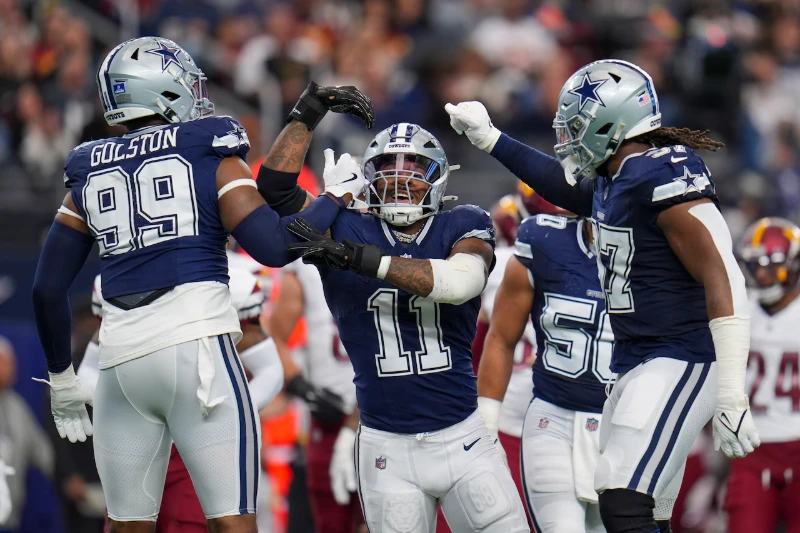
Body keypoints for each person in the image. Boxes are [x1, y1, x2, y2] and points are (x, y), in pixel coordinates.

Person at [30, 36, 371, 533]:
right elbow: (274, 248)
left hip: (121, 361)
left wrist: (62, 379)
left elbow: (45, 288)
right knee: (232, 523)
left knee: (126, 526)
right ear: (162, 88)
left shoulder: (87, 168)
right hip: (196, 353)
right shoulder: (209, 148)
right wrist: (336, 197)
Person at [446, 59, 760, 533]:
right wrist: (490, 138)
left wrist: (733, 394)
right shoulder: (621, 178)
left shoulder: (661, 173)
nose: (569, 138)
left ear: (612, 123)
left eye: (577, 126)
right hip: (638, 360)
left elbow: (724, 274)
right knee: (643, 511)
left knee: (622, 501)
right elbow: (562, 185)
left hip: (682, 355)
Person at [258, 115, 530, 532]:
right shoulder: (344, 224)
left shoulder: (462, 222)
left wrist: (358, 259)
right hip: (386, 445)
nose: (401, 181)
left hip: (464, 436)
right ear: (368, 178)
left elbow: (461, 282)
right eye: (388, 170)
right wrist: (308, 112)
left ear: (438, 177)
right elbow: (274, 188)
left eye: (414, 171)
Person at [80, 268, 283, 533]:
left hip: (198, 444)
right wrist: (109, 404)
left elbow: (270, 368)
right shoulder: (123, 274)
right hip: (134, 438)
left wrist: (226, 416)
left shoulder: (231, 281)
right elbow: (92, 363)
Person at [478, 211, 613, 533]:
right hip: (554, 417)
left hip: (625, 427)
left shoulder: (661, 253)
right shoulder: (544, 242)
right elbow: (499, 337)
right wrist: (486, 425)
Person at [268, 259, 362, 533]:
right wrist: (305, 390)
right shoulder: (304, 267)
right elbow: (272, 338)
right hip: (331, 415)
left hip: (381, 410)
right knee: (331, 522)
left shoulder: (385, 249)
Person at [726, 217, 800, 533]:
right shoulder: (737, 307)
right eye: (755, 266)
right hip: (751, 447)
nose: (762, 274)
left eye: (772, 265)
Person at [0, 337, 53, 533]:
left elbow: (42, 453)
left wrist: (67, 473)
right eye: (2, 362)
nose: (7, 369)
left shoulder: (18, 408)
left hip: (10, 519)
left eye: (9, 363)